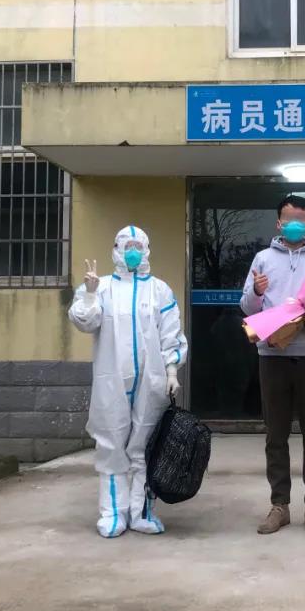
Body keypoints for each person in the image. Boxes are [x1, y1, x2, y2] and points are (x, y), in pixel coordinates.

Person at [69, 226, 187, 538]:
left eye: (138, 246)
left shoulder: (159, 290)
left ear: (146, 249)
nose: (132, 252)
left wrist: (172, 371)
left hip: (151, 379)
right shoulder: (102, 287)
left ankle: (142, 512)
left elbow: (171, 333)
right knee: (111, 444)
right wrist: (90, 293)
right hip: (111, 379)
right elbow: (85, 321)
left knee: (145, 445)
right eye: (127, 246)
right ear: (117, 249)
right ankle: (112, 513)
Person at [240, 195, 305, 536]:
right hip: (272, 357)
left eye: (300, 219)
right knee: (275, 434)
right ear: (278, 223)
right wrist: (256, 291)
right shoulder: (262, 259)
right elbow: (248, 308)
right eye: (287, 218)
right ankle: (279, 505)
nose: (294, 224)